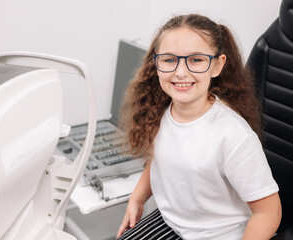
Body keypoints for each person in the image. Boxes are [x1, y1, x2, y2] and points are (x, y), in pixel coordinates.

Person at [116, 14, 281, 240]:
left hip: (221, 234)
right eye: (169, 60)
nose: (181, 72)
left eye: (196, 60)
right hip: (172, 223)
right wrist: (136, 199)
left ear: (217, 65)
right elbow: (159, 160)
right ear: (156, 63)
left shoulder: (233, 136)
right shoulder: (159, 112)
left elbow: (268, 212)